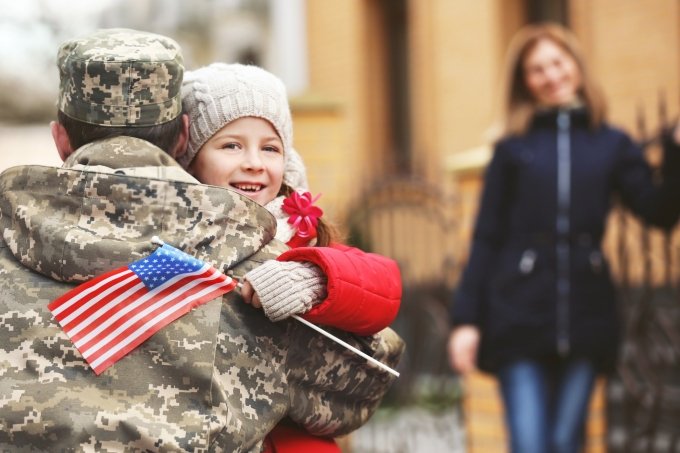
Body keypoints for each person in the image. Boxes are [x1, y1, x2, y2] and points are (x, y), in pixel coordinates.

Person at [0, 28, 405, 452]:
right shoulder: (250, 275)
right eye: (232, 145)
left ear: (60, 139)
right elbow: (365, 382)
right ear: (182, 138)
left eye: (269, 148)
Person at [447, 22, 680, 453]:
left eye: (557, 62)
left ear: (575, 64)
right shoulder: (512, 149)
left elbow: (659, 212)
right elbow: (486, 238)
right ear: (525, 82)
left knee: (564, 442)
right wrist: (466, 321)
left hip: (586, 316)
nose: (551, 75)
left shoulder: (611, 144)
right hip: (516, 316)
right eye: (537, 69)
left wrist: (676, 153)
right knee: (532, 444)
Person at [179, 62, 402, 452]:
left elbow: (384, 287)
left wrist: (314, 277)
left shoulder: (297, 235)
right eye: (231, 145)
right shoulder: (173, 237)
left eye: (270, 148)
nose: (253, 161)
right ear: (192, 158)